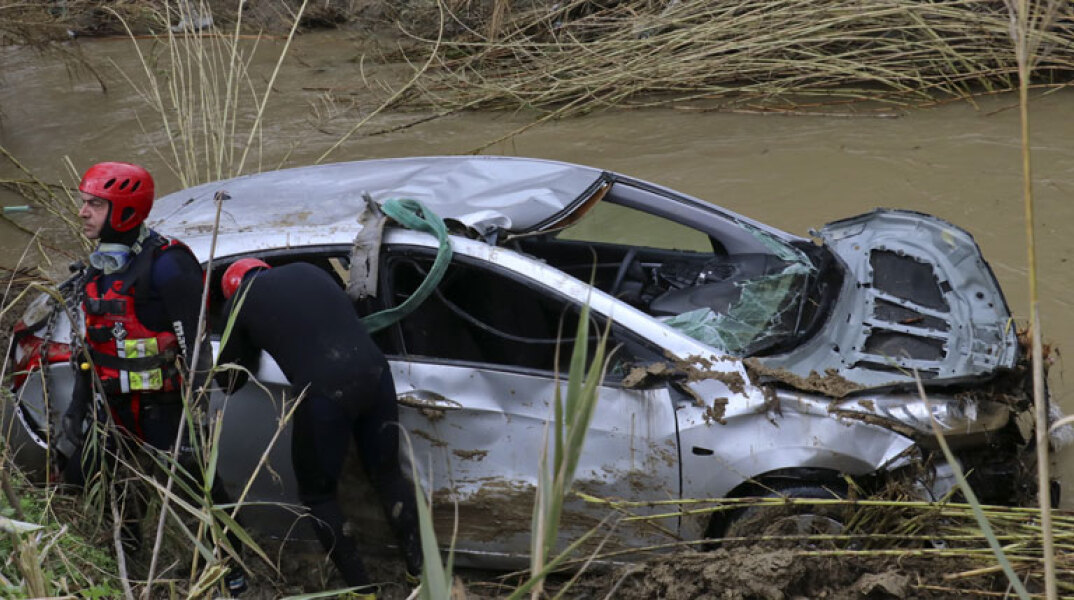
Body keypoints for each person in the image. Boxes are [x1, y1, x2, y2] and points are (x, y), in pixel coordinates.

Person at [60, 161, 246, 595]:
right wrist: (78, 408)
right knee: (119, 488)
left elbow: (195, 349)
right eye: (83, 202)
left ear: (125, 211)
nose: (82, 212)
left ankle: (229, 574)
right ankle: (130, 566)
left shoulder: (168, 266)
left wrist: (195, 422)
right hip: (116, 409)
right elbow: (90, 348)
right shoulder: (101, 265)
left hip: (165, 411)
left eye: (94, 205)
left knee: (201, 493)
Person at [215, 258, 423, 596]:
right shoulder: (310, 271)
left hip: (326, 392)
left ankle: (361, 591)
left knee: (318, 494)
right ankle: (421, 575)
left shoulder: (239, 302)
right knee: (388, 476)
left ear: (230, 290)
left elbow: (229, 380)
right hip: (376, 373)